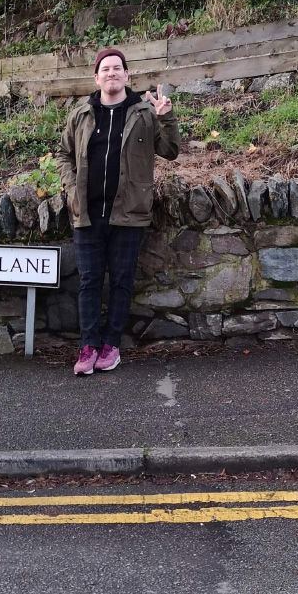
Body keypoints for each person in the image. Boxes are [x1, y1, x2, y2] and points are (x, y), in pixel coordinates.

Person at [56, 47, 180, 375]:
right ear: (96, 78)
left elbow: (170, 151)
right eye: (105, 69)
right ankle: (88, 346)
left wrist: (166, 116)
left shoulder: (143, 112)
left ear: (127, 75)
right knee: (90, 281)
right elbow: (63, 155)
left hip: (129, 213)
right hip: (87, 213)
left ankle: (111, 345)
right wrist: (71, 190)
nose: (111, 73)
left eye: (117, 68)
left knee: (122, 280)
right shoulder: (81, 114)